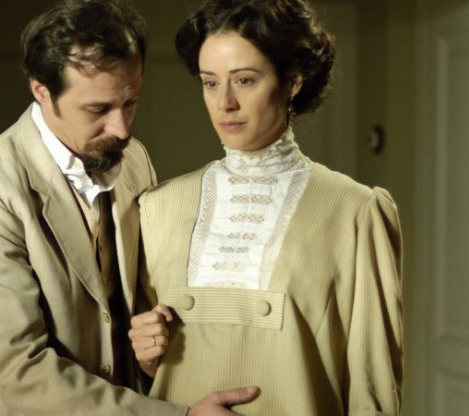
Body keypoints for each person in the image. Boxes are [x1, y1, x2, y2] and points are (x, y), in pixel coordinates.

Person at [0, 0, 259, 414]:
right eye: (98, 109)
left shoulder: (134, 159)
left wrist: (149, 357)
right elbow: (20, 373)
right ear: (42, 91)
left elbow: (137, 316)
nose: (121, 129)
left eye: (130, 102)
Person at [128, 0, 403, 415]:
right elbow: (144, 379)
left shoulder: (355, 212)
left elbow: (374, 390)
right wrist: (147, 360)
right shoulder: (157, 207)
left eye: (244, 80)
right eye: (210, 83)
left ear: (292, 80)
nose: (225, 103)